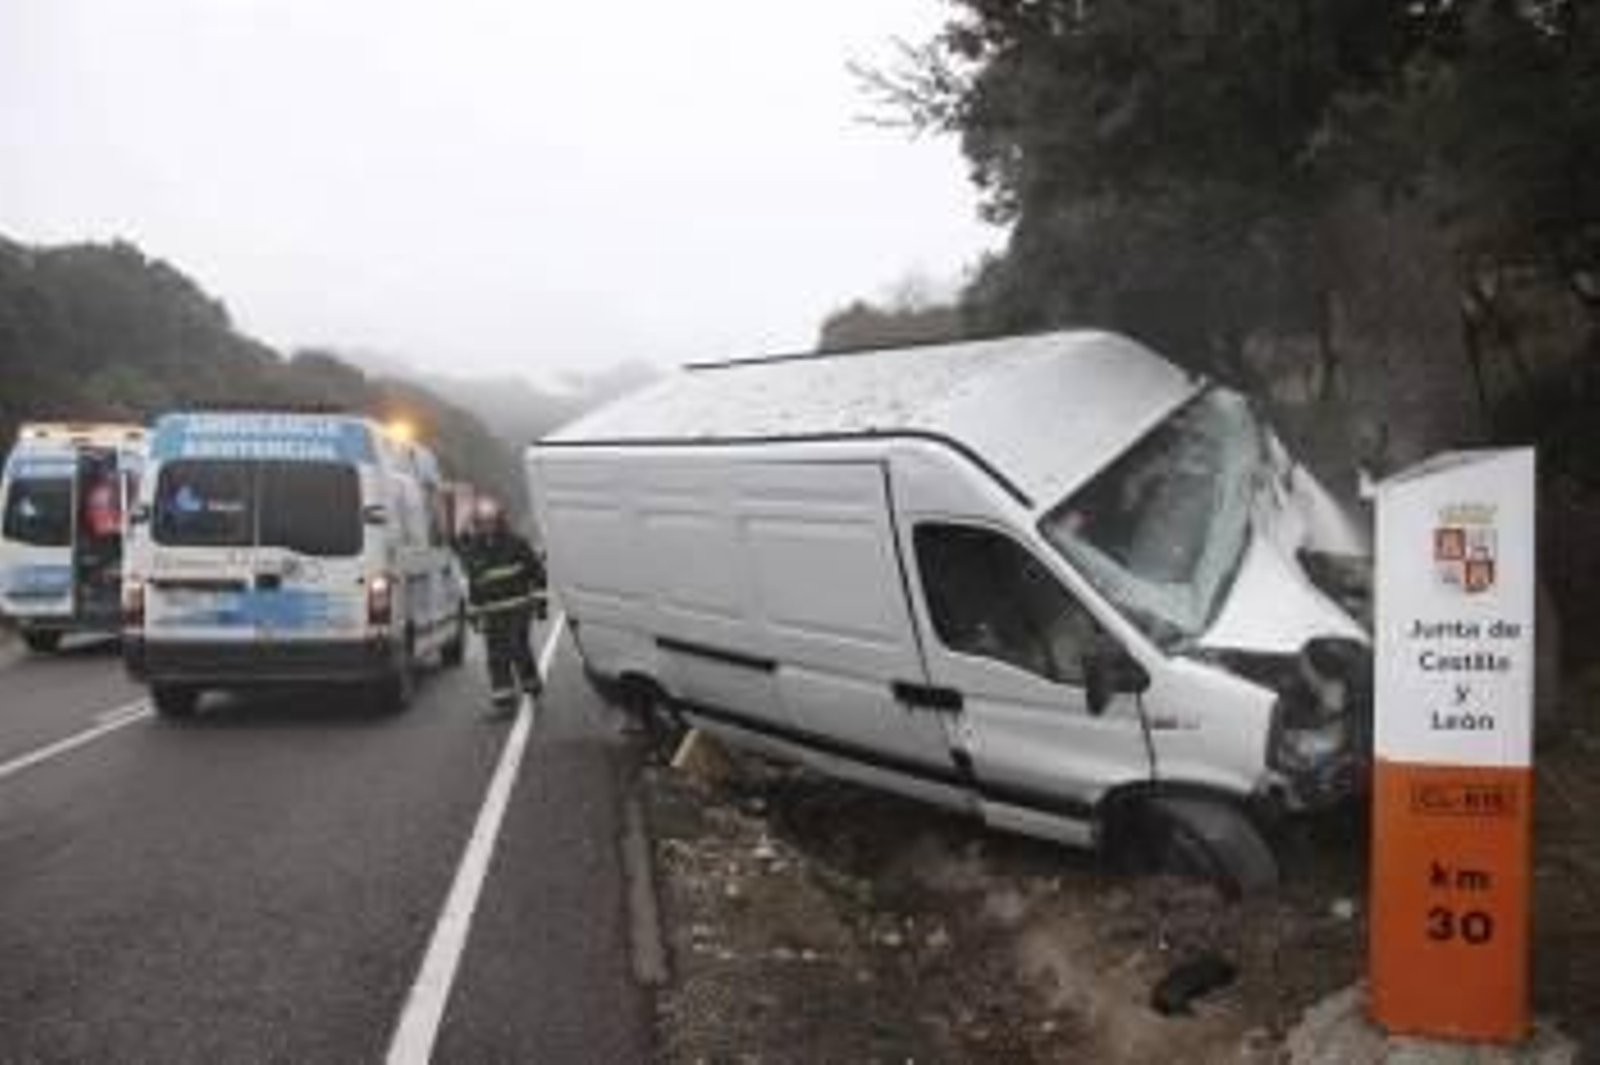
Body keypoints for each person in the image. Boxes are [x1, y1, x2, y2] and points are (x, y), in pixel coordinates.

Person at [459, 501, 547, 719]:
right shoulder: (474, 550)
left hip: (518, 607)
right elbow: (475, 585)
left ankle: (531, 684)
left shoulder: (517, 544)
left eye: (491, 521)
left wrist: (540, 603)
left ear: (500, 521)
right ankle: (504, 702)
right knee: (496, 656)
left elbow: (537, 573)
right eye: (483, 522)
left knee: (517, 647)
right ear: (477, 524)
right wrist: (474, 614)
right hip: (492, 613)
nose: (487, 526)